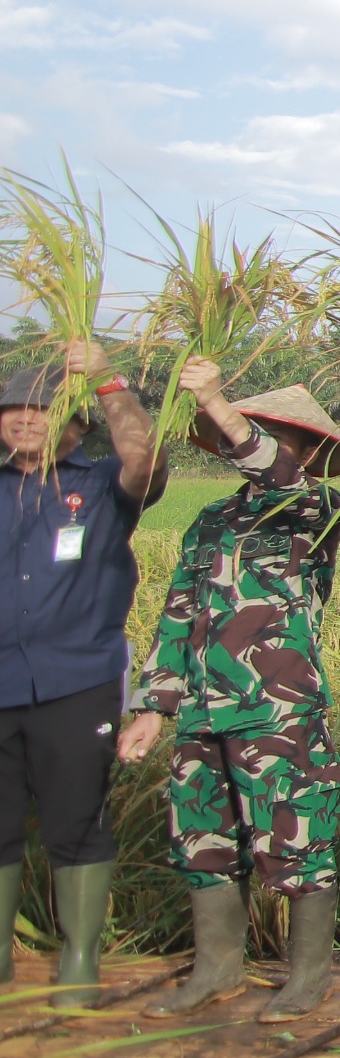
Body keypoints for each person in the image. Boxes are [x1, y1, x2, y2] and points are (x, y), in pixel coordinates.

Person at [118, 362, 340, 1020]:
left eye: (276, 436)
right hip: (201, 711)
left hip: (277, 710)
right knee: (201, 840)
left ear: (308, 451)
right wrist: (150, 706)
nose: (259, 444)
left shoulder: (312, 508)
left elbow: (274, 471)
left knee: (296, 840)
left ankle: (308, 977)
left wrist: (215, 401)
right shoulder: (209, 520)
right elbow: (177, 614)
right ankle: (216, 969)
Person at [0, 345, 167, 1008]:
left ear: (76, 423)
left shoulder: (100, 483)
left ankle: (77, 962)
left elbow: (146, 460)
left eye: (41, 408)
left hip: (76, 682)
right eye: (12, 408)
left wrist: (106, 380)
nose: (24, 419)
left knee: (76, 821)